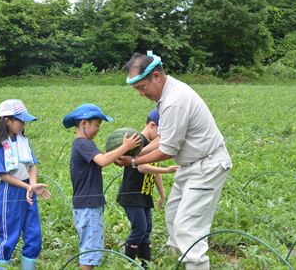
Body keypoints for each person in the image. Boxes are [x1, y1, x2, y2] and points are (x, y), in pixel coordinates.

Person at [116, 52, 232, 270]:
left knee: (187, 227)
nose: (141, 94)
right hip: (191, 165)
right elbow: (162, 139)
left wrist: (133, 162)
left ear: (157, 77)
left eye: (142, 87)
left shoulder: (174, 101)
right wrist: (134, 151)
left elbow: (167, 150)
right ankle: (175, 262)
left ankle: (195, 264)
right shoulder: (167, 96)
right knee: (173, 215)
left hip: (207, 165)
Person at [62, 103, 141, 270]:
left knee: (91, 249)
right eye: (96, 124)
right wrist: (125, 147)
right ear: (84, 123)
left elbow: (103, 158)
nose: (98, 129)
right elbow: (103, 161)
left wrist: (119, 157)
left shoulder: (84, 144)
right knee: (90, 253)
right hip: (88, 205)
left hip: (87, 204)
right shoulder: (83, 144)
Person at [0, 99, 51, 270]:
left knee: (34, 235)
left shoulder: (23, 140)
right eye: (20, 120)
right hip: (10, 191)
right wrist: (26, 187)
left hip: (28, 189)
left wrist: (32, 184)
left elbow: (32, 164)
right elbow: (4, 175)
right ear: (7, 121)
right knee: (9, 236)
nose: (24, 124)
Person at [116, 108, 178, 269]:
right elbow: (143, 167)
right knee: (140, 228)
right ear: (152, 125)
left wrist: (162, 194)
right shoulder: (140, 142)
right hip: (132, 195)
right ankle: (127, 262)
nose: (162, 138)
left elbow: (154, 168)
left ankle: (146, 264)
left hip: (144, 195)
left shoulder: (152, 145)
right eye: (161, 133)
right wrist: (167, 170)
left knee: (147, 228)